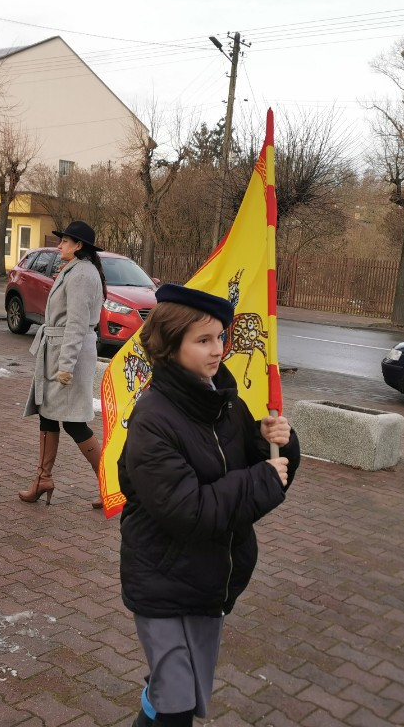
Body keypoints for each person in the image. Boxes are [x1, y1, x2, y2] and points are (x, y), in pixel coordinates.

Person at [118, 283, 300, 727]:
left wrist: (278, 443)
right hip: (161, 580)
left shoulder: (225, 402)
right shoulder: (153, 419)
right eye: (203, 340)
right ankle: (160, 692)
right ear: (170, 344)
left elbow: (261, 465)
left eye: (220, 337)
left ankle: (156, 691)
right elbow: (189, 511)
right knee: (177, 706)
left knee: (180, 693)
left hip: (210, 579)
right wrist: (260, 480)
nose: (218, 350)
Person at [20, 220, 107, 507]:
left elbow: (78, 324)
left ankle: (112, 483)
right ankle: (43, 478)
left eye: (65, 241)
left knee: (74, 423)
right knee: (48, 414)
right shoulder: (76, 270)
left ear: (79, 245)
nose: (59, 246)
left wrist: (66, 366)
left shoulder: (82, 274)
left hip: (68, 354)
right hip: (57, 350)